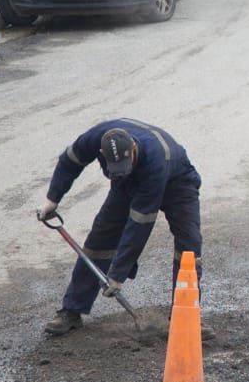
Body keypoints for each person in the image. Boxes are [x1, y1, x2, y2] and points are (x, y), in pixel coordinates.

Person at [38, 118, 202, 336]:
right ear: (101, 153)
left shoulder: (154, 160)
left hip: (178, 183)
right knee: (100, 239)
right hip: (127, 183)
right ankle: (72, 310)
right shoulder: (94, 138)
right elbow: (69, 162)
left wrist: (117, 275)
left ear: (133, 150)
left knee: (188, 249)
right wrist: (53, 198)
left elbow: (139, 225)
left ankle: (184, 318)